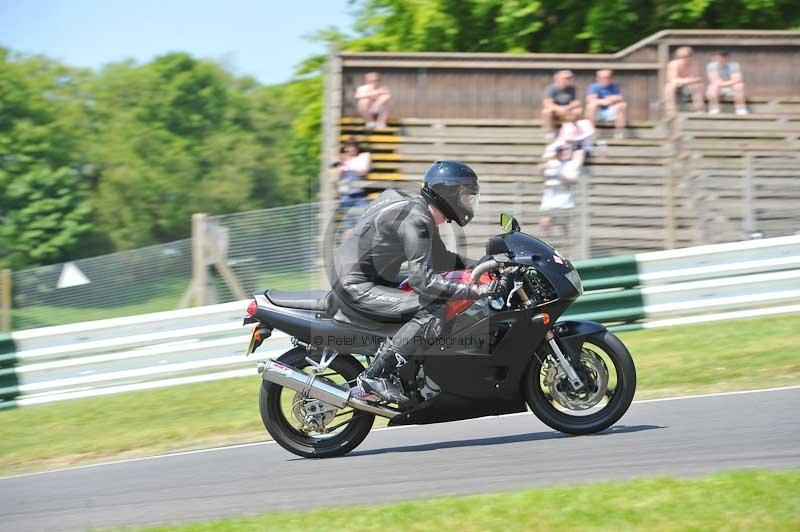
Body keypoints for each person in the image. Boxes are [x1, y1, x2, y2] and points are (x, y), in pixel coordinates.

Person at [333, 161, 503, 403]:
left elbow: (441, 259)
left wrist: (484, 264)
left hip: (365, 278)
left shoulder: (417, 210)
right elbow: (425, 283)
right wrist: (476, 290)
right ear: (448, 194)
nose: (468, 203)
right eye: (466, 197)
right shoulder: (417, 219)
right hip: (355, 286)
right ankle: (375, 376)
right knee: (431, 308)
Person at [538, 144, 581, 237]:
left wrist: (558, 172)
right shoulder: (553, 163)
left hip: (563, 198)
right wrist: (542, 168)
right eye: (561, 151)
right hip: (549, 197)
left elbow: (571, 182)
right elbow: (545, 177)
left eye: (566, 151)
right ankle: (544, 245)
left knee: (563, 225)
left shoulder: (572, 164)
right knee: (544, 222)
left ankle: (568, 246)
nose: (564, 153)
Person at [335, 137, 372, 228]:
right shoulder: (341, 159)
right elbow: (337, 175)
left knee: (365, 221)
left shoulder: (364, 156)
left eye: (352, 147)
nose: (350, 149)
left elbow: (363, 172)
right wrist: (342, 164)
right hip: (346, 196)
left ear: (357, 148)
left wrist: (348, 165)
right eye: (348, 147)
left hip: (358, 195)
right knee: (350, 226)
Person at [586, 69, 627, 138]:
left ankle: (619, 133)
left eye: (607, 77)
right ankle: (592, 133)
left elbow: (620, 98)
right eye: (602, 77)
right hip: (597, 112)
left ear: (611, 78)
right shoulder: (594, 87)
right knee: (591, 106)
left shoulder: (614, 87)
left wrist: (602, 100)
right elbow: (590, 100)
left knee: (622, 105)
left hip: (611, 112)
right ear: (597, 78)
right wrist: (606, 100)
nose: (604, 79)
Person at [541, 70, 582, 139]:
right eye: (566, 78)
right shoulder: (551, 88)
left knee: (578, 111)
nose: (569, 80)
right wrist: (559, 109)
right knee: (546, 112)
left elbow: (575, 103)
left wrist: (567, 108)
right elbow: (547, 103)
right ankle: (550, 132)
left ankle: (574, 131)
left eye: (570, 78)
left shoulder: (572, 89)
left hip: (566, 114)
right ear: (558, 79)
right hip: (555, 114)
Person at [664, 46, 704, 115]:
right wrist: (687, 80)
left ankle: (699, 110)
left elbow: (696, 79)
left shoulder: (694, 64)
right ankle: (671, 112)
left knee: (698, 86)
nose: (684, 58)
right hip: (677, 86)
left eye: (686, 56)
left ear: (691, 56)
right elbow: (672, 79)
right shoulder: (673, 64)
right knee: (669, 87)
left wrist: (685, 81)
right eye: (680, 57)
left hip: (689, 86)